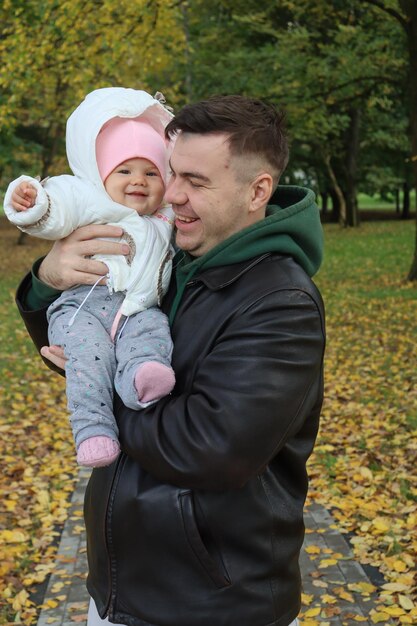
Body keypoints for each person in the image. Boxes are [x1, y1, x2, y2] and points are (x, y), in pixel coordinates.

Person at [15, 94, 325, 626]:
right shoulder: (171, 254)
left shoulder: (280, 302)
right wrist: (49, 280)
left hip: (214, 604)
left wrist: (98, 390)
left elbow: (210, 448)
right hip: (121, 590)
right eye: (172, 172)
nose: (172, 194)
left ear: (258, 191)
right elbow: (82, 343)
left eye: (197, 182)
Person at [5, 87, 176, 468]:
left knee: (153, 330)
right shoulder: (91, 197)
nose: (139, 181)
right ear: (103, 174)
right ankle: (93, 431)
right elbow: (57, 206)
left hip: (136, 307)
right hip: (81, 306)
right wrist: (33, 203)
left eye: (152, 172)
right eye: (125, 170)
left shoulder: (166, 216)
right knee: (87, 357)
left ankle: (141, 378)